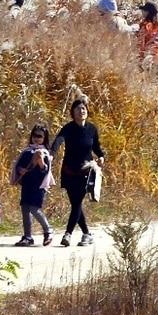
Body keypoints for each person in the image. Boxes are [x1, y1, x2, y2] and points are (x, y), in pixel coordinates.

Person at [50, 99, 105, 247]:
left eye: (84, 108)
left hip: (85, 172)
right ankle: (87, 234)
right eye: (79, 109)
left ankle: (67, 234)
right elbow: (58, 140)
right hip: (68, 171)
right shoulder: (68, 128)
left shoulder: (92, 129)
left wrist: (101, 156)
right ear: (73, 113)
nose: (82, 111)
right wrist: (51, 153)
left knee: (77, 203)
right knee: (75, 204)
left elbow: (97, 147)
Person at [11, 125, 54, 247]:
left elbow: (46, 171)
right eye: (35, 135)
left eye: (40, 136)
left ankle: (48, 230)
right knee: (25, 209)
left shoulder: (44, 153)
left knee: (34, 209)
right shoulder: (27, 151)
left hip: (39, 186)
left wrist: (40, 163)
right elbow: (18, 165)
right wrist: (21, 170)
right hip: (27, 184)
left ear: (44, 138)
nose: (36, 138)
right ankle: (27, 236)